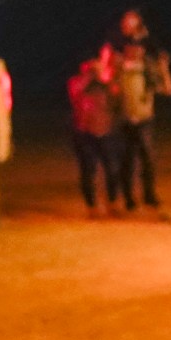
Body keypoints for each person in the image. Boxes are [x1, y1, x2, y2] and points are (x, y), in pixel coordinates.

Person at [109, 9, 171, 214]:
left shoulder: (148, 67)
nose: (135, 51)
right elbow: (108, 87)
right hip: (124, 119)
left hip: (145, 117)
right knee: (127, 160)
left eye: (138, 48)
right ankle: (129, 198)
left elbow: (168, 89)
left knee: (147, 159)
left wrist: (164, 69)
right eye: (131, 48)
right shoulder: (117, 67)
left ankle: (149, 196)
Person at [66, 43, 119, 217]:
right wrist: (90, 74)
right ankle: (92, 207)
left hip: (105, 130)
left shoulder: (105, 81)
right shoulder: (76, 81)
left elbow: (116, 94)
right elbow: (76, 93)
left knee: (112, 168)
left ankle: (112, 202)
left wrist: (105, 76)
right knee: (88, 171)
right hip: (84, 131)